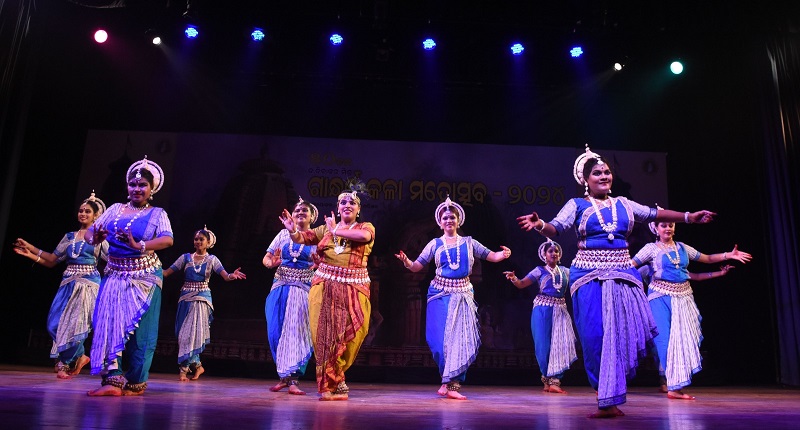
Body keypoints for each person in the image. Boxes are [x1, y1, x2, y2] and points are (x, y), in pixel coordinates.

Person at [516, 144, 717, 418]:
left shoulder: (624, 204)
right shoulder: (576, 205)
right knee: (594, 336)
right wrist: (540, 225)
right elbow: (556, 227)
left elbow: (655, 214)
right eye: (597, 173)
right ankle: (604, 393)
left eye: (607, 172)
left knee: (620, 335)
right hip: (587, 275)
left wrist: (688, 218)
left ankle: (609, 400)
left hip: (622, 274)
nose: (604, 176)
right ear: (585, 180)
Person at [395, 196, 512, 400]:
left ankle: (451, 384)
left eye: (452, 217)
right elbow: (417, 266)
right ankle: (446, 379)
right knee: (438, 341)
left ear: (458, 221)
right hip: (439, 293)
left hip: (462, 294)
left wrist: (504, 254)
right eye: (445, 218)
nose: (449, 220)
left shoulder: (469, 242)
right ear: (440, 222)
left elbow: (492, 256)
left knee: (459, 341)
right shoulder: (434, 244)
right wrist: (407, 262)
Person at [631, 217, 752, 400]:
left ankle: (676, 384)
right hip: (659, 298)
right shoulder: (650, 249)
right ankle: (673, 386)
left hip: (684, 297)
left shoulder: (683, 248)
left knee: (683, 340)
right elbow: (630, 265)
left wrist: (728, 255)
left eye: (671, 225)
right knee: (664, 341)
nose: (668, 228)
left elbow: (707, 258)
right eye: (663, 225)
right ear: (656, 229)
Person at [84, 155, 174, 396]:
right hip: (114, 273)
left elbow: (167, 240)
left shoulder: (158, 214)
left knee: (140, 332)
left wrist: (139, 245)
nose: (137, 189)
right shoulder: (114, 209)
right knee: (107, 323)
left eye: (143, 185)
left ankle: (135, 382)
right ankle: (112, 379)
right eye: (133, 184)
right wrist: (95, 238)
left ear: (152, 189)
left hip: (145, 275)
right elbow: (90, 232)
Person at [279, 187, 374, 401]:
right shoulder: (325, 229)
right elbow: (302, 238)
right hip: (324, 286)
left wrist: (336, 230)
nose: (347, 205)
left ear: (358, 210)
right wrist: (292, 231)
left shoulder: (365, 227)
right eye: (343, 203)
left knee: (353, 335)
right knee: (324, 336)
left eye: (352, 203)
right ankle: (329, 387)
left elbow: (364, 237)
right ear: (338, 208)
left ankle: (337, 379)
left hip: (354, 288)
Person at [13, 191, 109, 379]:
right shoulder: (69, 237)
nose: (83, 214)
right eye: (81, 211)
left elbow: (112, 259)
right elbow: (51, 259)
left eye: (87, 211)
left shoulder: (99, 238)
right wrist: (29, 251)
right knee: (54, 324)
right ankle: (80, 356)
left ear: (96, 215)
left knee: (76, 325)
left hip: (88, 285)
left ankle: (64, 363)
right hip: (67, 284)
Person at [163, 226, 246, 381]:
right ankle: (198, 366)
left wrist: (233, 275)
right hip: (185, 298)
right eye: (196, 239)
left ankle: (183, 370)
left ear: (208, 243)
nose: (198, 241)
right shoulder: (185, 258)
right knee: (183, 335)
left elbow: (226, 276)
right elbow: (166, 273)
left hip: (202, 299)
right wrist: (150, 267)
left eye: (201, 239)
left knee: (193, 335)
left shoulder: (212, 260)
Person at [504, 239, 577, 394]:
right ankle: (546, 379)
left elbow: (578, 281)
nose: (554, 253)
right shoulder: (539, 270)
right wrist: (514, 278)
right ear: (544, 255)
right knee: (543, 345)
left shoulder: (566, 271)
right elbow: (522, 284)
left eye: (556, 251)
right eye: (550, 251)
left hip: (560, 310)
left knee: (560, 343)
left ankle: (555, 381)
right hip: (542, 309)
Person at [263, 197, 318, 395]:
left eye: (305, 211)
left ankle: (293, 380)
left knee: (297, 333)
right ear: (292, 216)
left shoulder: (316, 237)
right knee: (275, 331)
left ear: (312, 216)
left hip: (303, 290)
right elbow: (267, 257)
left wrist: (319, 264)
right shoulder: (282, 234)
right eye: (297, 211)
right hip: (280, 287)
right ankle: (283, 377)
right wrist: (271, 263)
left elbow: (323, 262)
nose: (300, 213)